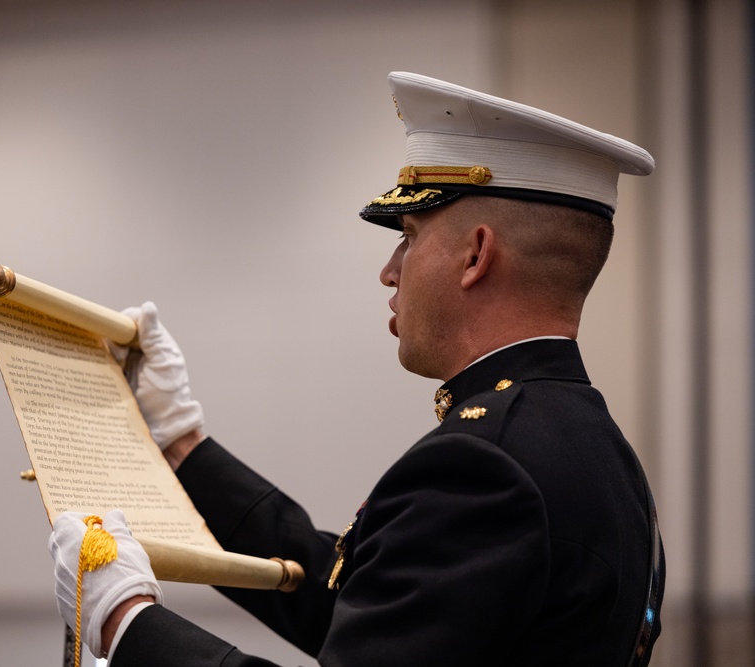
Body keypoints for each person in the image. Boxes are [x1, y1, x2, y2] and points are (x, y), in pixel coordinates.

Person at [48, 72, 665, 666]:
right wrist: (184, 446)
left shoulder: (485, 467)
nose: (390, 269)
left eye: (410, 235)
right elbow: (372, 612)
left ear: (476, 254)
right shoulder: (599, 450)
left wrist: (126, 622)